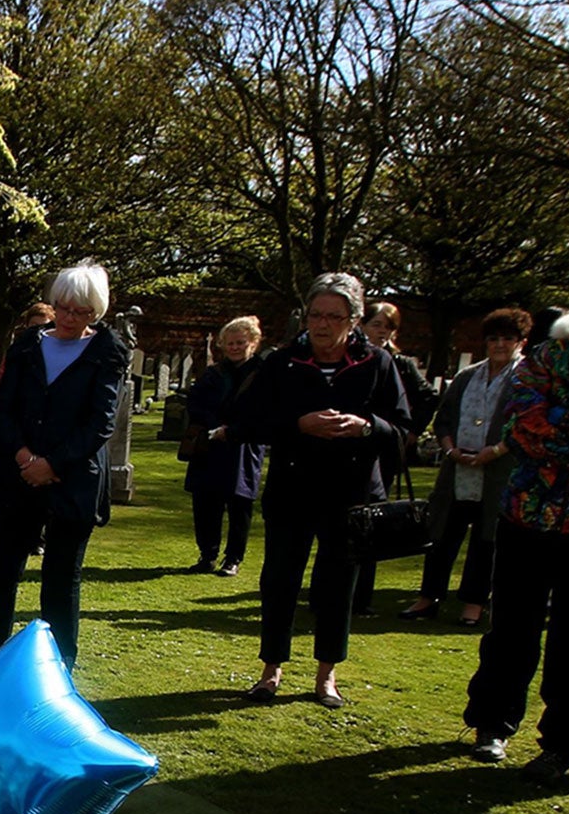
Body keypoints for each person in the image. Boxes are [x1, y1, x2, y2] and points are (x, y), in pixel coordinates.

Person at [466, 251, 569, 780]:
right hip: (526, 513)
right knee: (510, 628)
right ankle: (491, 724)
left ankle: (564, 743)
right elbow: (522, 418)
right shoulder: (558, 346)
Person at [234, 271, 410, 708]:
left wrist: (367, 427)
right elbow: (247, 421)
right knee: (279, 580)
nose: (323, 324)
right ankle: (270, 668)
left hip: (350, 494)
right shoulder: (281, 362)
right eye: (315, 314)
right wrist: (298, 424)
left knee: (337, 585)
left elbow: (404, 427)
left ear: (353, 320)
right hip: (293, 489)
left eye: (334, 316)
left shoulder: (377, 364)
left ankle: (326, 674)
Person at [0, 262, 129, 670]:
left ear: (96, 313)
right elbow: (4, 408)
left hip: (72, 479)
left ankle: (61, 664)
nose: (70, 319)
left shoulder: (106, 352)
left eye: (82, 313)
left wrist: (53, 464)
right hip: (19, 472)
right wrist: (24, 456)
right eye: (64, 309)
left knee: (61, 576)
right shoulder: (27, 345)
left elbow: (100, 422)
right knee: (3, 569)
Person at [402, 308, 532, 627]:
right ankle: (428, 597)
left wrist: (497, 450)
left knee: (486, 541)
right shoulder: (467, 376)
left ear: (521, 342)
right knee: (443, 535)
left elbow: (528, 424)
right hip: (458, 469)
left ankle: (474, 603)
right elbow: (444, 418)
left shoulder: (526, 378)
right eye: (493, 339)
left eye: (508, 339)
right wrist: (449, 448)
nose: (500, 344)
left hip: (497, 473)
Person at [353, 301, 439, 615]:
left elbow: (428, 396)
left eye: (387, 327)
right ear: (362, 324)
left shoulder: (399, 363)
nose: (381, 332)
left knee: (371, 520)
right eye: (376, 324)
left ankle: (361, 596)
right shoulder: (354, 358)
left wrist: (411, 431)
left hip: (383, 448)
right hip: (352, 446)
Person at [180, 316, 266, 577]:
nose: (234, 348)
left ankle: (233, 558)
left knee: (239, 504)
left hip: (243, 446)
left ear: (253, 343)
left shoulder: (261, 374)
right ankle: (207, 554)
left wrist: (233, 430)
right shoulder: (213, 373)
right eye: (229, 343)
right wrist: (212, 425)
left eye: (240, 342)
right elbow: (195, 403)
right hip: (209, 445)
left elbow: (263, 410)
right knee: (205, 503)